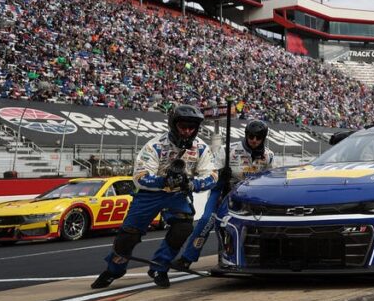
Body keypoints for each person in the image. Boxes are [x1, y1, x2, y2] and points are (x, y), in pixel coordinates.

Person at [92, 104, 217, 289]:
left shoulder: (201, 148)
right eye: (183, 127)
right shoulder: (155, 145)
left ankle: (160, 266)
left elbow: (212, 176)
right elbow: (140, 177)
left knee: (183, 227)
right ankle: (114, 269)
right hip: (149, 195)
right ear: (173, 125)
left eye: (192, 128)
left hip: (178, 194)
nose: (187, 131)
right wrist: (164, 181)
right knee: (128, 235)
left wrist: (192, 184)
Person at [172, 119, 275, 270]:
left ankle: (254, 257)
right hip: (223, 191)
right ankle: (187, 258)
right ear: (246, 135)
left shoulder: (269, 156)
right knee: (207, 221)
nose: (253, 140)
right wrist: (221, 175)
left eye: (258, 138)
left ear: (263, 138)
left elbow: (270, 179)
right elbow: (211, 173)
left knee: (256, 225)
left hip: (251, 195)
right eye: (251, 136)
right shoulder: (228, 150)